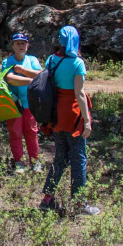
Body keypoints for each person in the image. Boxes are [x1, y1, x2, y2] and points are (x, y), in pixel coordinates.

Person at [38, 24, 93, 215]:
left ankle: (47, 199)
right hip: (73, 115)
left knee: (60, 158)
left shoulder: (52, 60)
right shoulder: (77, 63)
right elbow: (79, 93)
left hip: (56, 116)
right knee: (79, 159)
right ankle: (79, 203)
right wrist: (86, 120)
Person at [0, 32, 44, 172]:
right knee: (16, 133)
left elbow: (42, 74)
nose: (21, 45)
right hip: (14, 103)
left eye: (23, 43)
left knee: (32, 131)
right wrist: (30, 80)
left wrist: (22, 71)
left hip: (31, 103)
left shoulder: (32, 60)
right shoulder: (7, 61)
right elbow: (10, 78)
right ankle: (18, 161)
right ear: (12, 46)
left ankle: (35, 162)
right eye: (17, 43)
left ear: (27, 45)